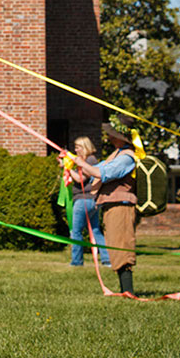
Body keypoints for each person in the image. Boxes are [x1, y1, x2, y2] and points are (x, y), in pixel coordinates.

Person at [68, 118, 138, 295]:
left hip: (121, 206)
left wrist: (83, 164)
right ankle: (125, 291)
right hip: (110, 206)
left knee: (122, 248)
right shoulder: (116, 154)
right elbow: (95, 172)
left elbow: (102, 173)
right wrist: (73, 162)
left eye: (112, 134)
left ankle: (128, 292)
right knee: (115, 247)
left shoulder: (127, 157)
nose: (108, 137)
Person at [64, 136, 109, 267]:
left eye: (78, 147)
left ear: (85, 147)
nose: (76, 149)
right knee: (95, 230)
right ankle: (107, 260)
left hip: (84, 200)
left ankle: (77, 262)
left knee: (76, 231)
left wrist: (68, 170)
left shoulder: (90, 160)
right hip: (91, 200)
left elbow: (80, 179)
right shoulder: (88, 160)